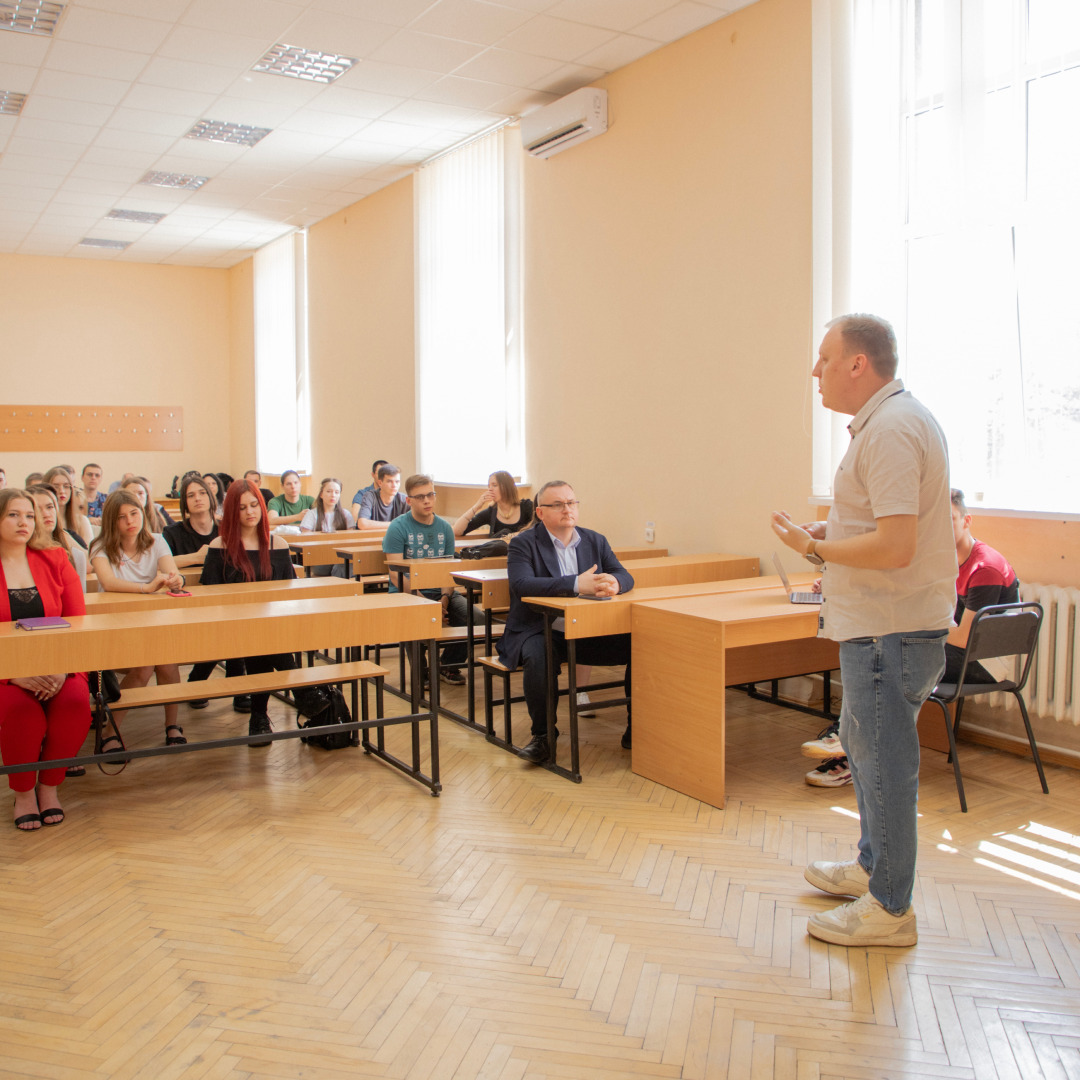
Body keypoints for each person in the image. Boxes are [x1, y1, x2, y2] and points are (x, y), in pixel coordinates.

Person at [771, 313, 956, 948]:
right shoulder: (886, 424)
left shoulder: (894, 428)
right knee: (867, 750)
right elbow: (882, 526)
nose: (814, 372)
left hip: (890, 628)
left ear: (857, 363)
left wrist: (815, 549)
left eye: (824, 359)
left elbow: (897, 547)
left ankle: (890, 909)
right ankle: (874, 867)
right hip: (881, 626)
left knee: (883, 767)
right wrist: (831, 532)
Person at [497, 481, 634, 763]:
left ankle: (638, 726)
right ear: (540, 512)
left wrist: (615, 583)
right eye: (558, 505)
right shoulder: (523, 543)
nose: (567, 509)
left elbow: (625, 575)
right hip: (540, 628)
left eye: (571, 503)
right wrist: (575, 584)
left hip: (587, 630)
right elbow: (522, 584)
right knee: (539, 656)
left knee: (643, 645)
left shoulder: (595, 540)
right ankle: (544, 737)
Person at [0, 488, 92, 830]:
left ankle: (49, 787)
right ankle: (24, 793)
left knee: (74, 706)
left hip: (59, 664)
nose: (23, 522)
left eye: (29, 515)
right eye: (13, 514)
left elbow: (78, 623)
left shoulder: (54, 557)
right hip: (5, 670)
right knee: (23, 715)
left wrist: (62, 669)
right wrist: (12, 676)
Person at [202, 480, 298, 745]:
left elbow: (291, 593)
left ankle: (260, 718)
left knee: (264, 638)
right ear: (232, 512)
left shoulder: (277, 544)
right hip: (231, 625)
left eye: (254, 505)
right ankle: (303, 695)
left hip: (271, 624)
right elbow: (209, 596)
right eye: (242, 508)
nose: (250, 512)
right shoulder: (219, 545)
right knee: (261, 638)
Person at [89, 490, 187, 750]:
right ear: (112, 522)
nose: (130, 521)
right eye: (122, 517)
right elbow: (109, 582)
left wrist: (176, 580)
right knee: (143, 667)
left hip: (151, 622)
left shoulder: (157, 541)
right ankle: (110, 732)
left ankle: (172, 725)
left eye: (134, 513)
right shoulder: (100, 546)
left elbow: (173, 573)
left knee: (167, 661)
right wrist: (147, 588)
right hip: (114, 624)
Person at [382, 474, 481, 687]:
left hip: (440, 592)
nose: (427, 501)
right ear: (409, 500)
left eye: (430, 495)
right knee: (415, 618)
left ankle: (447, 665)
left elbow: (448, 570)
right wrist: (425, 602)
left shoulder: (445, 528)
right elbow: (395, 573)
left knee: (476, 618)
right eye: (420, 497)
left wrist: (444, 598)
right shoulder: (398, 527)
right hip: (407, 594)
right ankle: (421, 672)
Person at [944, 488, 1020, 683]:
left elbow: (964, 638)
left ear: (966, 521)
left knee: (902, 659)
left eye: (949, 519)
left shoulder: (985, 568)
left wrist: (920, 629)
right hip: (963, 651)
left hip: (986, 661)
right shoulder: (945, 561)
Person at [27, 483, 87, 590]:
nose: (46, 514)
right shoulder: (17, 557)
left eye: (50, 507)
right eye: (38, 509)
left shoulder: (75, 555)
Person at [453, 471, 534, 537]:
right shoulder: (491, 512)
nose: (490, 489)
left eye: (494, 485)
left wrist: (514, 535)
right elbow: (457, 531)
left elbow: (538, 529)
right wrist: (476, 506)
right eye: (489, 486)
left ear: (507, 487)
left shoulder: (527, 506)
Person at [163, 473, 218, 568]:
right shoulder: (172, 533)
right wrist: (196, 557)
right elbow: (159, 563)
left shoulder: (228, 530)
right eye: (191, 495)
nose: (197, 498)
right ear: (185, 502)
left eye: (202, 493)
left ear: (210, 497)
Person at [43, 465, 92, 549]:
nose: (62, 491)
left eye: (66, 486)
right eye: (56, 487)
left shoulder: (82, 521)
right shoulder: (42, 520)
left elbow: (89, 553)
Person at [357, 464, 407, 528]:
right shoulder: (370, 496)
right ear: (380, 483)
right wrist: (396, 524)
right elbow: (362, 524)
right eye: (389, 481)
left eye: (397, 482)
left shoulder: (404, 499)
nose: (394, 485)